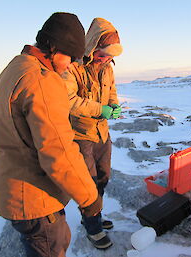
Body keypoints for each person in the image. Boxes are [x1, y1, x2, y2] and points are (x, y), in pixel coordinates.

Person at [0, 12, 102, 257]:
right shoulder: (42, 81)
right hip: (34, 199)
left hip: (13, 191)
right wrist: (90, 198)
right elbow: (58, 151)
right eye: (71, 57)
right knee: (51, 246)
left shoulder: (15, 67)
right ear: (53, 48)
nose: (72, 64)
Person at [62, 17, 123, 249]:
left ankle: (94, 216)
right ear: (92, 45)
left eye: (110, 56)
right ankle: (93, 228)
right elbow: (69, 100)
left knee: (103, 178)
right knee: (87, 184)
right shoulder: (73, 67)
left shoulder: (107, 68)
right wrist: (101, 109)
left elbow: (112, 92)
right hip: (81, 137)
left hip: (102, 135)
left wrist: (114, 106)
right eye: (102, 54)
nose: (106, 59)